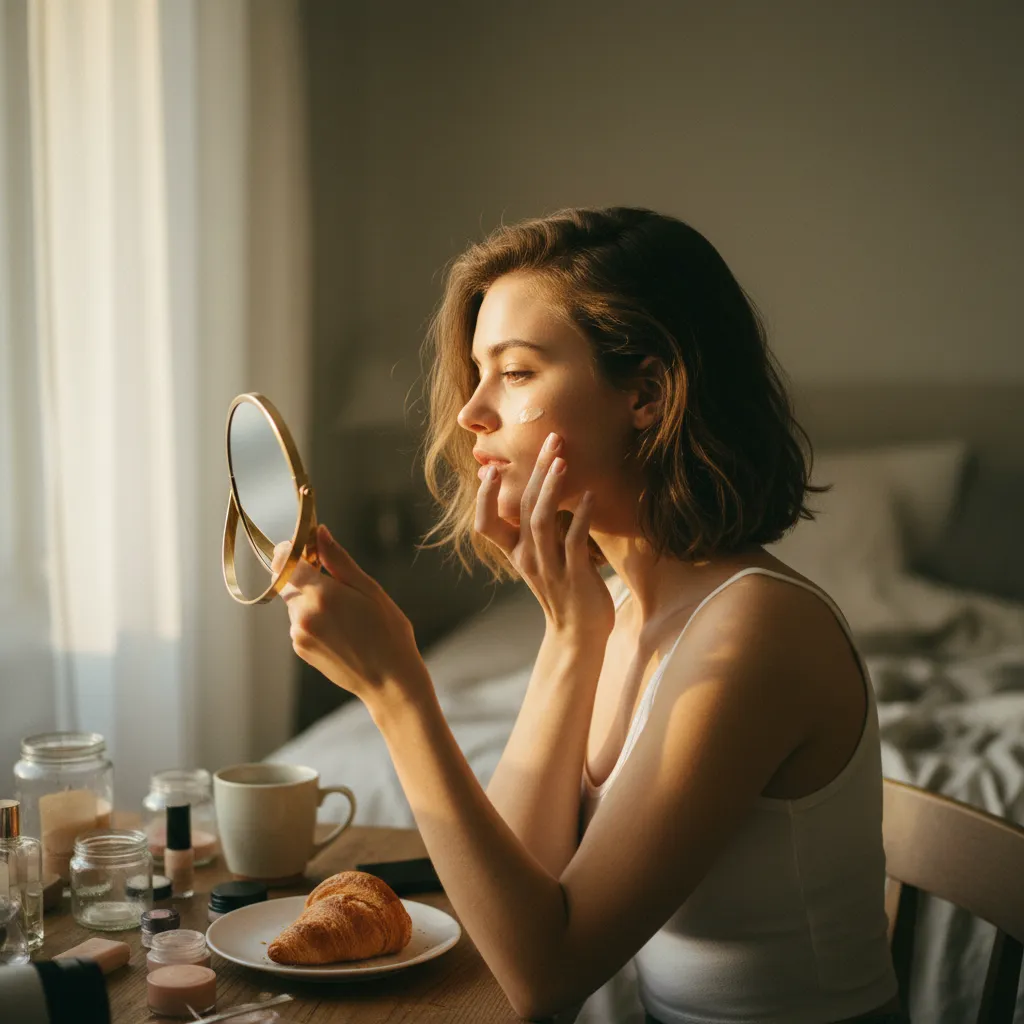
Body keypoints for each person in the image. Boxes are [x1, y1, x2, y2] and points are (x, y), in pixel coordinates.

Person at [272, 207, 905, 1023]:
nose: (471, 413)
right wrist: (568, 636)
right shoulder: (606, 607)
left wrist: (397, 694)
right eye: (477, 370)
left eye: (519, 372)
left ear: (644, 394)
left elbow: (546, 976)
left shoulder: (756, 632)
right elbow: (513, 910)